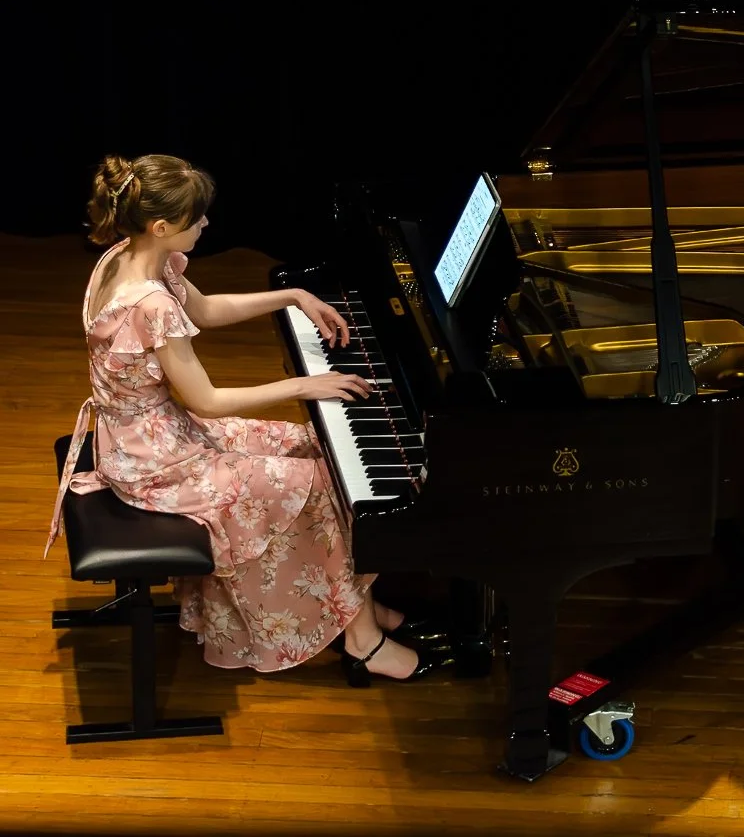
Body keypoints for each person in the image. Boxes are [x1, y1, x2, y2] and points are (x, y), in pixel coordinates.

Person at [45, 153, 447, 684]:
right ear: (162, 226)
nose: (207, 224)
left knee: (317, 448)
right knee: (323, 484)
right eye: (197, 218)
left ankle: (357, 611)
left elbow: (207, 310)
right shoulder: (148, 304)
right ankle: (363, 640)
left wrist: (294, 295)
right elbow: (205, 401)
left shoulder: (129, 255)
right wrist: (305, 384)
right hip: (157, 463)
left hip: (151, 436)